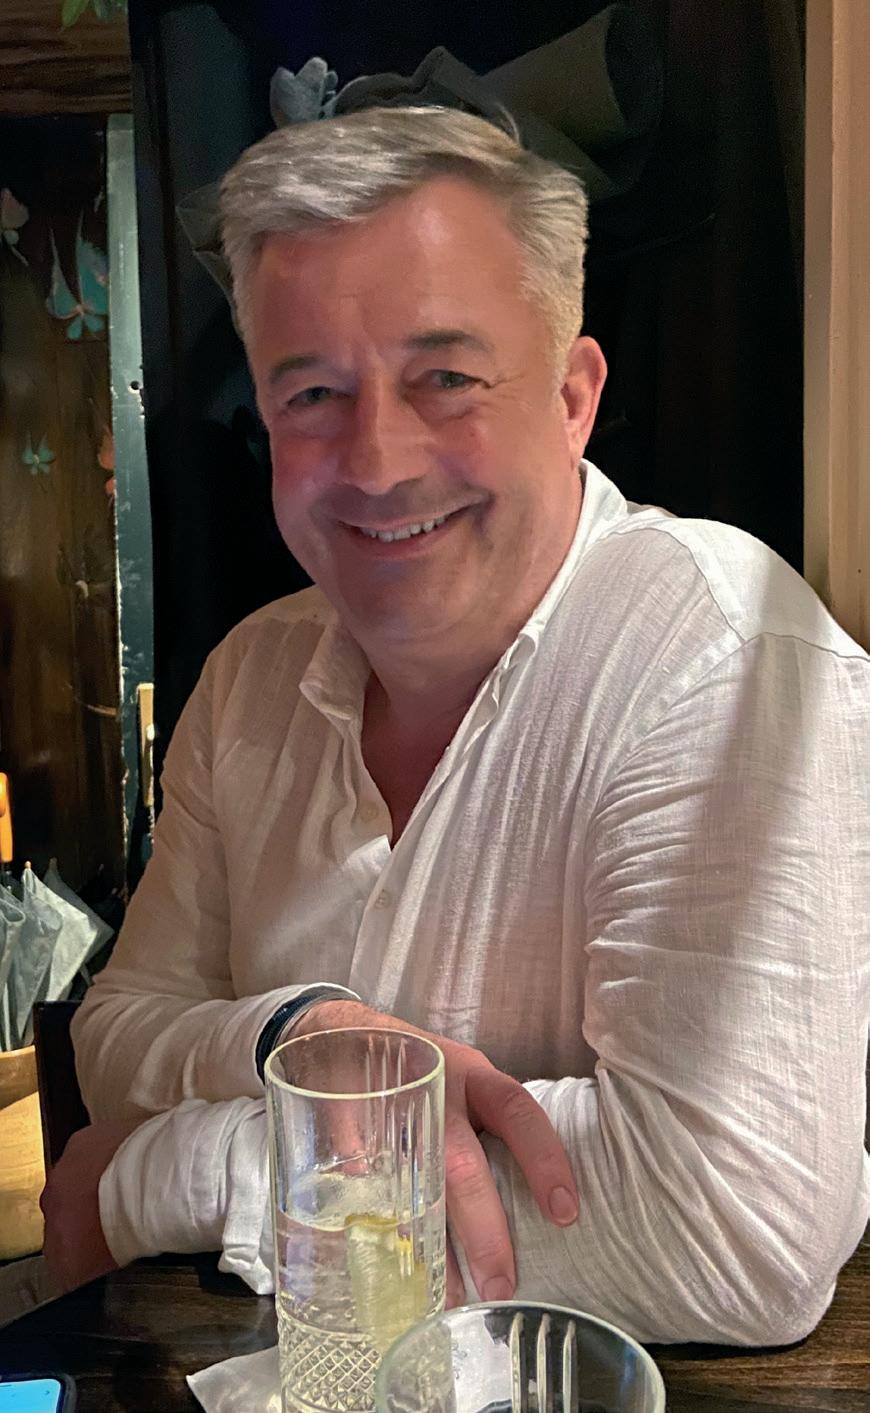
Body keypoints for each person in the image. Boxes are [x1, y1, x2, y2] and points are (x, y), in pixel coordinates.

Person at [43, 106, 868, 1347]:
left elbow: (728, 1226)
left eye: (447, 379)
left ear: (574, 397)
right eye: (312, 393)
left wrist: (162, 1176)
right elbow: (118, 1035)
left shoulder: (724, 657)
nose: (376, 461)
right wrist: (293, 1035)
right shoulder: (251, 675)